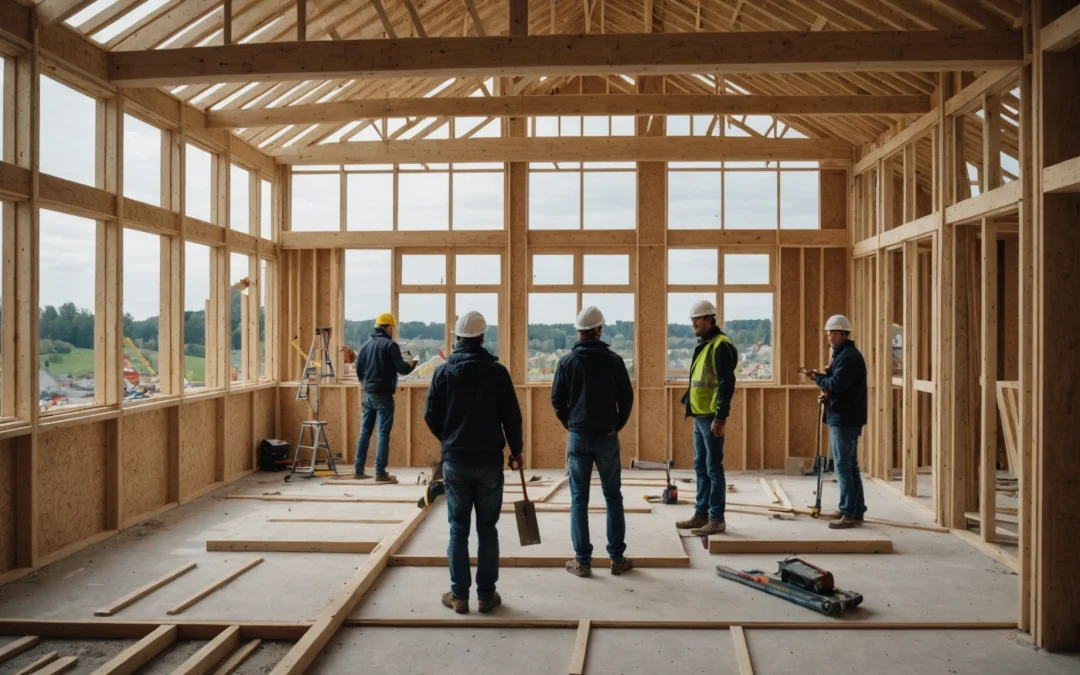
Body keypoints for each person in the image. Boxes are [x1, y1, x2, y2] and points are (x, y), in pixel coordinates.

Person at [424, 310, 523, 614]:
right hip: (489, 462)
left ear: (457, 339)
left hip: (456, 461)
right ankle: (486, 595)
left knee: (458, 528)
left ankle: (459, 597)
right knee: (487, 529)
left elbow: (431, 415)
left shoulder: (443, 373)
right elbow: (512, 417)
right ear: (482, 337)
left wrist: (450, 440)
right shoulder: (497, 372)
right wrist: (516, 451)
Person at [551, 306, 635, 578]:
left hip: (578, 437)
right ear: (600, 330)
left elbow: (556, 400)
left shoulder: (566, 362)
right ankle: (617, 559)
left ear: (579, 331)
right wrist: (616, 424)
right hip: (607, 436)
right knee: (613, 496)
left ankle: (583, 562)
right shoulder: (614, 360)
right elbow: (627, 398)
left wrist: (572, 424)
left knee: (579, 499)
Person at [676, 300, 738, 537]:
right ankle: (701, 514)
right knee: (700, 466)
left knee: (713, 468)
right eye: (692, 319)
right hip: (700, 415)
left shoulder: (720, 346)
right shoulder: (706, 344)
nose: (694, 323)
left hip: (711, 416)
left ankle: (716, 518)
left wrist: (721, 417)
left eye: (698, 319)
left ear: (710, 319)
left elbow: (725, 384)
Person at [804, 315, 868, 529]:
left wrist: (817, 378)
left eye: (833, 333)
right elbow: (839, 385)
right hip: (846, 416)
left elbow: (837, 384)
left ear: (843, 334)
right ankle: (855, 510)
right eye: (828, 332)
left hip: (845, 419)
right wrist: (826, 385)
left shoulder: (847, 357)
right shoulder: (843, 355)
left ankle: (848, 513)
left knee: (843, 466)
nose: (829, 336)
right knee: (850, 465)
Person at [352, 312, 418, 483]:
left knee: (365, 431)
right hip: (383, 395)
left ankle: (358, 470)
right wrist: (413, 362)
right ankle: (380, 473)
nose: (393, 331)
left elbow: (358, 369)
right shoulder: (390, 346)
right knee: (383, 433)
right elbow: (402, 369)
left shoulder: (366, 346)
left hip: (368, 393)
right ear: (388, 327)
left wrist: (366, 385)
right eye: (392, 328)